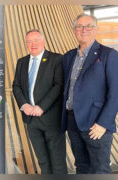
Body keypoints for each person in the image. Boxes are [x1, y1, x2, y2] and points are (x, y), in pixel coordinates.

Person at [62, 13, 118, 174]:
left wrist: (103, 123)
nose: (83, 29)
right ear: (74, 30)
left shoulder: (109, 55)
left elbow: (115, 92)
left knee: (100, 169)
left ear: (95, 30)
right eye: (79, 26)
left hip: (96, 124)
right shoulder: (68, 56)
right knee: (82, 167)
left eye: (88, 26)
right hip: (73, 123)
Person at [12, 29, 67, 174]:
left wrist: (41, 107)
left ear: (43, 41)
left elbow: (58, 85)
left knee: (57, 161)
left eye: (36, 40)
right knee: (42, 161)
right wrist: (24, 105)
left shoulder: (56, 59)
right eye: (29, 41)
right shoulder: (22, 62)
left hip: (51, 119)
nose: (33, 44)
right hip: (31, 119)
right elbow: (16, 86)